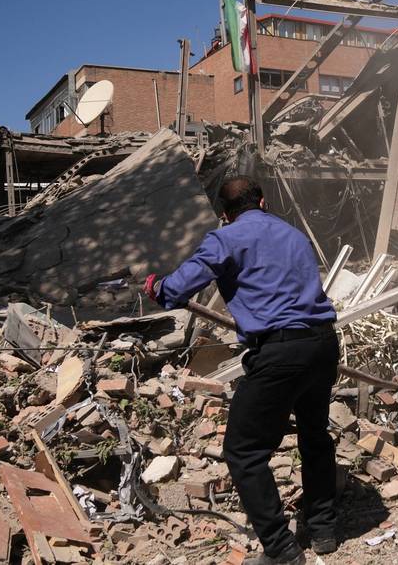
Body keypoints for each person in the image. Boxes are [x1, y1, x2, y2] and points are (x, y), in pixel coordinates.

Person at [146, 177, 338, 565]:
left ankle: (282, 550)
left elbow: (175, 291)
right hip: (322, 345)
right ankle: (324, 530)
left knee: (243, 451)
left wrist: (156, 286)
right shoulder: (295, 236)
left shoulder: (225, 239)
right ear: (263, 202)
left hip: (280, 353)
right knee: (315, 436)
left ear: (224, 214)